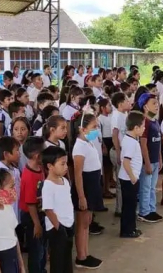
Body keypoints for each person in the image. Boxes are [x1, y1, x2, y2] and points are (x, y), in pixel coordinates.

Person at [71, 112, 103, 269]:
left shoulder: (88, 143)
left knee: (87, 222)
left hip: (92, 185)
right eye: (93, 127)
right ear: (82, 129)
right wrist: (81, 196)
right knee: (82, 223)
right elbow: (77, 175)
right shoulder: (79, 148)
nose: (96, 130)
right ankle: (81, 256)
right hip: (85, 187)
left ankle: (86, 253)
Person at [42, 146, 74, 273]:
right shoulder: (48, 186)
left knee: (67, 259)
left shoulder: (64, 181)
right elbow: (48, 210)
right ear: (50, 166)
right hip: (57, 229)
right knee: (58, 262)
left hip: (68, 225)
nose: (66, 166)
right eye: (62, 164)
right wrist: (59, 228)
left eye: (66, 163)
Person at [20, 137, 47, 273]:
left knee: (42, 247)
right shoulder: (30, 176)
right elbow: (30, 204)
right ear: (37, 156)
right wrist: (37, 224)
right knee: (36, 249)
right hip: (32, 217)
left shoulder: (39, 168)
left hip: (39, 213)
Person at [135, 93, 163, 223]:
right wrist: (146, 162)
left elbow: (158, 142)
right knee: (145, 187)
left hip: (155, 160)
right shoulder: (144, 122)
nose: (157, 105)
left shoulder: (155, 121)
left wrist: (160, 158)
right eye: (153, 103)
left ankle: (151, 209)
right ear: (145, 106)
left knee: (152, 187)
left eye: (157, 103)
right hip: (148, 161)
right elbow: (143, 144)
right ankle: (144, 211)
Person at [119, 111, 145, 238]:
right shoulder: (131, 142)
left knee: (130, 205)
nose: (144, 129)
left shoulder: (130, 139)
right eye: (143, 126)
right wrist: (133, 177)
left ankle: (130, 228)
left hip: (129, 178)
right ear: (136, 128)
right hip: (129, 179)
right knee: (130, 206)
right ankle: (127, 230)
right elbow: (126, 162)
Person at [110, 92, 131, 217]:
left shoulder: (125, 114)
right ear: (120, 104)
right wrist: (118, 153)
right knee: (120, 181)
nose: (129, 102)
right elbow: (115, 135)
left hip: (125, 150)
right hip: (119, 150)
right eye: (127, 101)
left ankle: (125, 205)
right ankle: (119, 208)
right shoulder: (116, 116)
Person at [0, 137, 21, 222]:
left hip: (16, 214)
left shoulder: (15, 170)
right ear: (6, 154)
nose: (19, 153)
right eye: (17, 150)